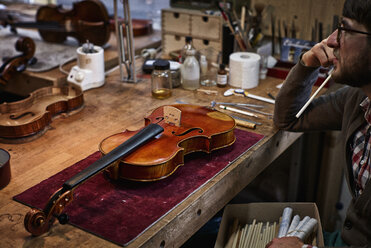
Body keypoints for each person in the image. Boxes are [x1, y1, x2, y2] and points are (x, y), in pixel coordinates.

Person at [269, 0, 371, 247]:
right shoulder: (358, 99)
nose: (332, 40)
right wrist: (307, 63)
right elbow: (289, 118)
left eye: (345, 29)